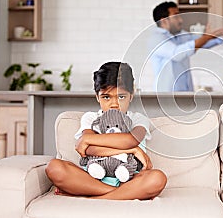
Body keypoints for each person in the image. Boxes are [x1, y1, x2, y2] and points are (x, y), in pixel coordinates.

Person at [45, 62, 167, 200]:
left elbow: (130, 140)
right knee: (54, 167)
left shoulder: (138, 119)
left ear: (131, 95)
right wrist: (132, 150)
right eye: (106, 97)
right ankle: (119, 194)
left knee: (157, 178)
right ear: (97, 96)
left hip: (129, 179)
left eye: (121, 97)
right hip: (92, 178)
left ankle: (94, 198)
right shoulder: (91, 118)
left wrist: (87, 139)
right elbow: (89, 150)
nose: (114, 104)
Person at [149, 1, 223, 92]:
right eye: (176, 16)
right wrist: (205, 37)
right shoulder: (156, 38)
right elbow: (177, 54)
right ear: (164, 20)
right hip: (165, 98)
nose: (180, 20)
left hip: (185, 94)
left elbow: (207, 41)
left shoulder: (182, 35)